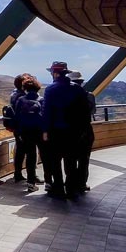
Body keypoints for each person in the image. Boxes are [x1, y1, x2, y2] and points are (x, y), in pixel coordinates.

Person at [42, 60, 90, 198]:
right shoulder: (78, 89)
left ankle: (58, 188)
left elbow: (46, 112)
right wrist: (82, 130)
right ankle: (71, 188)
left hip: (55, 131)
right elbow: (85, 112)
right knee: (71, 161)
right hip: (74, 132)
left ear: (55, 73)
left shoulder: (50, 89)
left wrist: (45, 131)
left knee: (55, 161)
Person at [12, 76, 44, 191]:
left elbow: (17, 117)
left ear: (25, 88)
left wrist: (18, 131)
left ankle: (24, 179)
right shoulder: (41, 100)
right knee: (38, 156)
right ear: (37, 87)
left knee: (26, 154)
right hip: (38, 131)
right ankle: (39, 181)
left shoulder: (21, 100)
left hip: (24, 131)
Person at [69, 71, 96, 193]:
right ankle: (82, 183)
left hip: (70, 130)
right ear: (81, 82)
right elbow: (92, 111)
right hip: (86, 130)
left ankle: (71, 183)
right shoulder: (89, 95)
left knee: (71, 158)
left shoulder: (67, 96)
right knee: (84, 159)